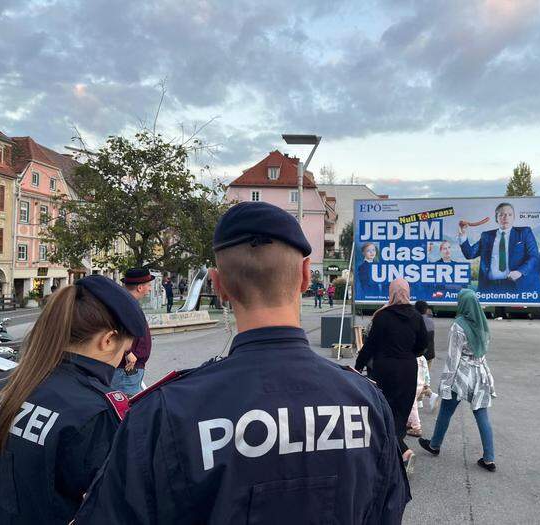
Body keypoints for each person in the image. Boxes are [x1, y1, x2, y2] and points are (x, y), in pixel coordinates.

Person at [74, 201, 410, 524]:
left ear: (218, 285)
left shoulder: (164, 415)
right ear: (306, 276)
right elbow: (387, 510)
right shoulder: (367, 403)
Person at [0, 275, 146, 524]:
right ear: (107, 340)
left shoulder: (10, 383)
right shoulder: (96, 412)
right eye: (124, 351)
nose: (124, 360)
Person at [355, 278, 428, 474]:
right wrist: (409, 353)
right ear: (407, 292)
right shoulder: (416, 317)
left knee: (383, 409)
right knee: (401, 410)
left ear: (391, 292)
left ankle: (399, 451)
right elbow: (422, 346)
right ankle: (399, 447)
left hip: (384, 369)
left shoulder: (382, 316)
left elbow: (370, 346)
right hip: (407, 369)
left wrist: (358, 366)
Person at [419, 289, 497, 472]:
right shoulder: (483, 324)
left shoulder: (458, 326)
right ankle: (489, 458)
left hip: (462, 375)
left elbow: (453, 359)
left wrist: (445, 383)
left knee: (446, 410)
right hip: (481, 374)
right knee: (481, 414)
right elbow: (483, 352)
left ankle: (435, 445)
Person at [458, 202, 538, 295]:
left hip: (515, 286)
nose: (506, 217)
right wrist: (463, 234)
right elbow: (470, 254)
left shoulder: (524, 232)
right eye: (502, 215)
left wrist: (520, 271)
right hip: (488, 287)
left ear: (513, 217)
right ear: (496, 218)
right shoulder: (486, 236)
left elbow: (534, 256)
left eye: (509, 214)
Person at [111, 268, 154, 397]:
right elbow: (115, 329)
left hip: (129, 367)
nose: (150, 289)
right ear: (140, 287)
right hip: (126, 367)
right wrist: (127, 352)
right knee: (125, 408)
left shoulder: (127, 303)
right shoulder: (126, 306)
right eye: (148, 285)